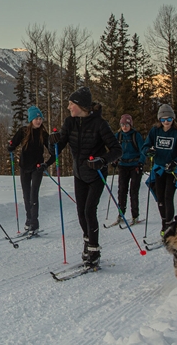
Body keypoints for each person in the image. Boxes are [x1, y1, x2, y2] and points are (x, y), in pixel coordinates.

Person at [48, 87, 122, 268]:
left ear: (80, 105)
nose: (68, 107)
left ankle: (94, 250)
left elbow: (117, 150)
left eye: (71, 104)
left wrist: (101, 161)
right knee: (81, 212)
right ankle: (88, 241)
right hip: (79, 174)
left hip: (96, 174)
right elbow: (58, 147)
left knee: (89, 210)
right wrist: (53, 141)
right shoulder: (70, 122)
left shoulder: (100, 124)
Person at [141, 103, 177, 235]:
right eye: (163, 119)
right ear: (159, 120)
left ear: (173, 118)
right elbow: (145, 146)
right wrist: (148, 151)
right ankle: (165, 223)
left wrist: (175, 162)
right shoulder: (155, 131)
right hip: (159, 169)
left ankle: (168, 226)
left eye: (169, 119)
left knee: (168, 197)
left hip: (172, 170)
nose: (166, 122)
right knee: (160, 197)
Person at [7, 106, 56, 235]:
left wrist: (46, 164)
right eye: (36, 118)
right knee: (26, 194)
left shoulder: (43, 134)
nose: (39, 121)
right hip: (24, 167)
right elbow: (13, 144)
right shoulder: (23, 131)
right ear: (31, 119)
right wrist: (10, 147)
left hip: (37, 168)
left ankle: (34, 223)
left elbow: (53, 153)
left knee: (33, 195)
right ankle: (29, 219)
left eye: (40, 119)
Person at [107, 114, 145, 227]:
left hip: (135, 166)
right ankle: (121, 214)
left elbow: (143, 150)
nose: (124, 127)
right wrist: (114, 160)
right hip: (123, 165)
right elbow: (113, 150)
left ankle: (135, 215)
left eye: (127, 125)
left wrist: (141, 162)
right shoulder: (118, 136)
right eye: (122, 124)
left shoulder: (136, 135)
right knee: (122, 190)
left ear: (130, 125)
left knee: (134, 191)